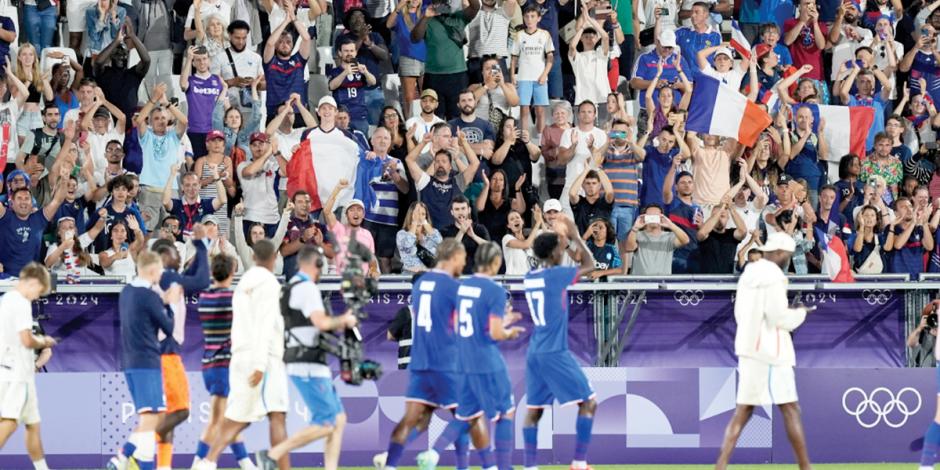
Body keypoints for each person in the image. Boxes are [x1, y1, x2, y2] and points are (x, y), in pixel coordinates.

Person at [416, 242, 525, 470]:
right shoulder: (494, 290)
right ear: (496, 262)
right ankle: (505, 466)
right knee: (506, 412)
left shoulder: (462, 287)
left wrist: (499, 323)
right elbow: (494, 333)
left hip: (464, 362)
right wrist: (508, 331)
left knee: (466, 414)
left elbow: (459, 324)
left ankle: (433, 453)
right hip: (487, 360)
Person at [254, 245, 358, 470]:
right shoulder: (307, 289)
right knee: (327, 423)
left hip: (301, 358)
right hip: (308, 363)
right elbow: (321, 323)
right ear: (316, 264)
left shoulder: (289, 287)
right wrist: (345, 320)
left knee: (338, 419)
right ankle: (272, 454)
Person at [715, 232, 813, 470]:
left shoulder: (748, 273)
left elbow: (744, 312)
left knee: (743, 410)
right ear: (779, 253)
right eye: (787, 256)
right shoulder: (774, 276)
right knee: (790, 407)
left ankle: (721, 465)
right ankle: (805, 467)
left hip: (748, 347)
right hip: (771, 349)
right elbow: (778, 316)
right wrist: (800, 313)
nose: (787, 260)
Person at [194, 241, 289, 470]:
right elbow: (265, 324)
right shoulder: (268, 283)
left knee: (238, 416)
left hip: (236, 358)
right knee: (276, 415)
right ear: (274, 258)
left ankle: (207, 462)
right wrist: (260, 364)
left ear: (253, 257)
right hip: (262, 357)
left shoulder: (242, 284)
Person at [377, 239, 468, 470]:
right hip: (444, 360)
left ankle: (390, 463)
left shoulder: (421, 285)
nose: (464, 263)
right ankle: (439, 457)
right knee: (465, 414)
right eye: (463, 258)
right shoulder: (451, 286)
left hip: (420, 362)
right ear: (454, 257)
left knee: (416, 418)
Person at [523, 216, 596, 470]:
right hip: (554, 351)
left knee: (534, 410)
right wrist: (575, 236)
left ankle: (530, 466)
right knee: (589, 402)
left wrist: (560, 241)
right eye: (559, 247)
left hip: (534, 351)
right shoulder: (557, 276)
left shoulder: (530, 276)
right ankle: (579, 462)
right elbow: (591, 264)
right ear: (554, 253)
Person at [109, 251, 181, 470]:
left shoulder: (126, 292)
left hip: (130, 361)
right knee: (154, 419)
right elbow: (169, 328)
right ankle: (122, 456)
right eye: (159, 270)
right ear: (152, 270)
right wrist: (170, 303)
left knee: (149, 418)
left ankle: (143, 465)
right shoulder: (149, 296)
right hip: (146, 362)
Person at [192, 254, 256, 470]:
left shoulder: (204, 297)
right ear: (231, 272)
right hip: (223, 365)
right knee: (218, 419)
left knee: (230, 416)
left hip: (210, 363)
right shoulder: (233, 297)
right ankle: (198, 462)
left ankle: (246, 463)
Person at [0, 263, 56, 470]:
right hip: (17, 373)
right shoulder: (21, 302)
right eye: (39, 291)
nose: (36, 297)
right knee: (10, 421)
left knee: (33, 426)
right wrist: (44, 342)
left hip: (10, 369)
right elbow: (26, 340)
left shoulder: (5, 300)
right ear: (33, 282)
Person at [0, 167, 68, 276]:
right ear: (11, 202)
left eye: (27, 198)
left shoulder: (39, 218)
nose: (23, 202)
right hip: (7, 279)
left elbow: (57, 200)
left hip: (31, 279)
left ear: (32, 203)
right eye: (19, 198)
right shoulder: (5, 217)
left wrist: (64, 180)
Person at [511, 4, 554, 136]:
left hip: (539, 78)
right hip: (523, 78)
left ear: (538, 18)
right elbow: (514, 58)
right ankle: (524, 138)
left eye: (532, 16)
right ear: (523, 18)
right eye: (527, 16)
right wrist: (513, 74)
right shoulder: (519, 35)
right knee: (524, 109)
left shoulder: (545, 35)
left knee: (540, 110)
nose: (529, 19)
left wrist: (544, 74)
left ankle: (540, 139)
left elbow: (550, 58)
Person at [263, 12, 311, 122]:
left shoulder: (299, 60)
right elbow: (270, 43)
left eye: (288, 42)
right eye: (280, 42)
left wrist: (294, 19)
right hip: (274, 113)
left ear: (293, 45)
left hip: (297, 112)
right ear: (276, 44)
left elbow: (307, 39)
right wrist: (285, 22)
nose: (285, 44)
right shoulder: (270, 61)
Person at [625, 203, 691, 275]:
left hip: (662, 282)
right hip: (639, 282)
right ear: (644, 217)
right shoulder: (636, 234)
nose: (653, 218)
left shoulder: (669, 236)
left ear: (661, 217)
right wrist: (635, 228)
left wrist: (671, 225)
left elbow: (686, 240)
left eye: (656, 216)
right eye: (650, 216)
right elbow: (629, 248)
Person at [397, 201, 443, 275]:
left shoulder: (432, 232)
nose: (419, 216)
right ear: (411, 214)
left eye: (423, 214)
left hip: (430, 273)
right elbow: (407, 246)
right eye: (416, 213)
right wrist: (414, 223)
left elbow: (440, 243)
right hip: (410, 273)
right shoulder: (402, 234)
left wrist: (425, 223)